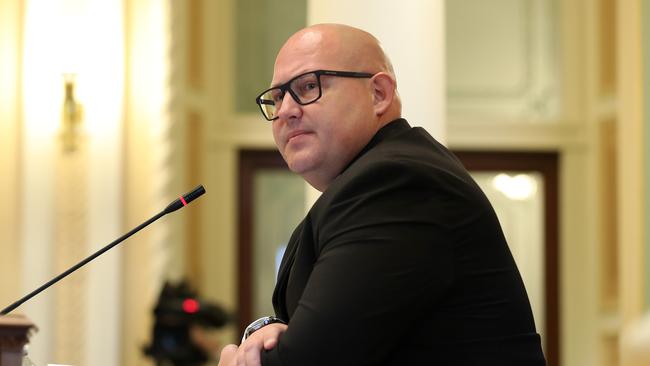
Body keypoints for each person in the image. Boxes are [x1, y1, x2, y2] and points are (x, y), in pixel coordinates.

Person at [218, 23, 547, 366]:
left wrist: (233, 360)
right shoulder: (366, 185)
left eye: (308, 87)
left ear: (379, 94)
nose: (285, 110)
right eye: (277, 97)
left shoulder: (398, 182)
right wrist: (270, 331)